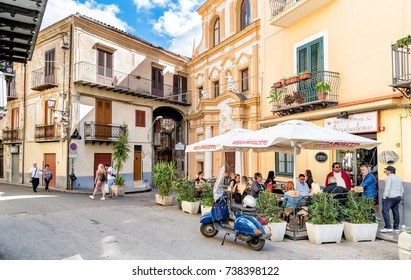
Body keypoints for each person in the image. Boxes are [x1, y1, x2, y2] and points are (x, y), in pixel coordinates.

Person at [380, 166, 404, 233]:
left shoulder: (389, 177)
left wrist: (384, 197)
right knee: (395, 211)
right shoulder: (398, 177)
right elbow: (402, 188)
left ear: (389, 171)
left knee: (385, 210)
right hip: (398, 197)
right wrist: (400, 195)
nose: (386, 172)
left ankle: (388, 227)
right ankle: (396, 227)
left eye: (386, 171)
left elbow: (387, 188)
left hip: (390, 197)